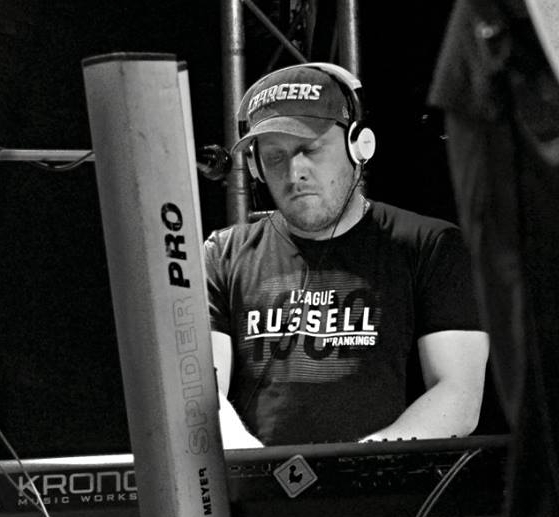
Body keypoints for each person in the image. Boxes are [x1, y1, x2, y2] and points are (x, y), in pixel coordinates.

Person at [204, 62, 489, 448]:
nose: (295, 171)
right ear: (255, 167)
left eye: (311, 149)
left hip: (384, 481)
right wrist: (258, 467)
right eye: (275, 157)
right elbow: (200, 393)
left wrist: (359, 463)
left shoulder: (430, 246)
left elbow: (458, 396)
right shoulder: (221, 255)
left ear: (360, 146)